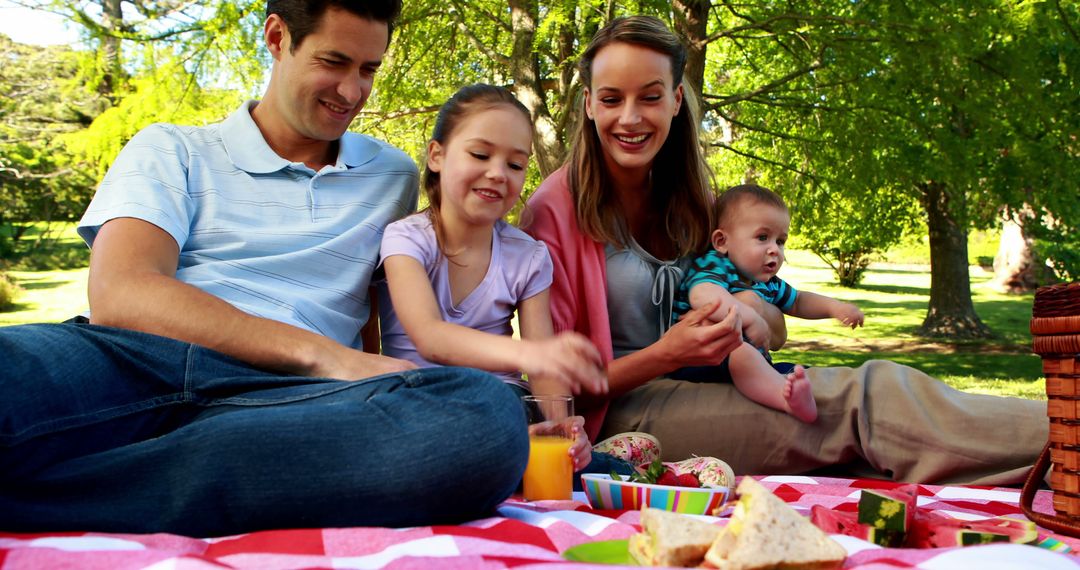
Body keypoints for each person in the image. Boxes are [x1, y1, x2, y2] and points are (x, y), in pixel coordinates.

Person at [0, 0, 529, 537]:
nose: (352, 91)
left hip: (289, 400)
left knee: (485, 421)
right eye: (334, 61)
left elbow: (398, 304)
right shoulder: (173, 148)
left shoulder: (391, 176)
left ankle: (38, 495)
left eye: (368, 69)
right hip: (134, 359)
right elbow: (123, 294)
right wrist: (325, 356)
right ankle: (198, 477)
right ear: (277, 37)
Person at [522, 15, 1047, 486]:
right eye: (612, 98)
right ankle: (1062, 447)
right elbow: (559, 390)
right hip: (622, 414)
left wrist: (753, 312)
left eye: (651, 96)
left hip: (722, 380)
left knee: (872, 390)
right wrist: (668, 353)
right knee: (862, 407)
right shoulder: (555, 211)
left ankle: (1053, 452)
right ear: (588, 103)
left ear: (678, 100)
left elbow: (774, 328)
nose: (630, 117)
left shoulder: (699, 206)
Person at [377, 83, 606, 473]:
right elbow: (429, 337)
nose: (498, 173)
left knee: (513, 412)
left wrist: (562, 428)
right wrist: (529, 354)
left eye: (515, 165)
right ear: (437, 155)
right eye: (480, 154)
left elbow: (544, 372)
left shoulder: (528, 255)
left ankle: (595, 461)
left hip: (501, 402)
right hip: (418, 397)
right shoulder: (405, 239)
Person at [670, 183, 867, 423]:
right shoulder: (716, 265)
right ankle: (786, 401)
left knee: (804, 372)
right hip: (699, 360)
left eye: (781, 241)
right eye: (762, 237)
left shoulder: (768, 283)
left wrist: (836, 308)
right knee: (740, 351)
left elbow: (799, 301)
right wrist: (750, 317)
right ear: (722, 241)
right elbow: (702, 295)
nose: (774, 249)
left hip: (741, 364)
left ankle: (800, 391)